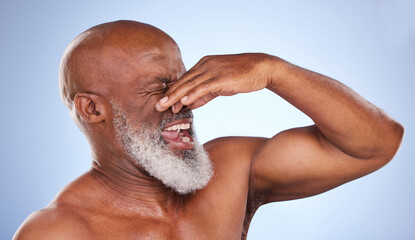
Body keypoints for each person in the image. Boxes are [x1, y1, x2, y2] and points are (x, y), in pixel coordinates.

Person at [14, 20, 403, 240]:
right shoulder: (59, 231)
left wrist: (273, 70)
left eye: (188, 81)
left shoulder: (230, 171)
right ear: (93, 108)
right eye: (159, 87)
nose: (185, 100)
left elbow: (375, 145)